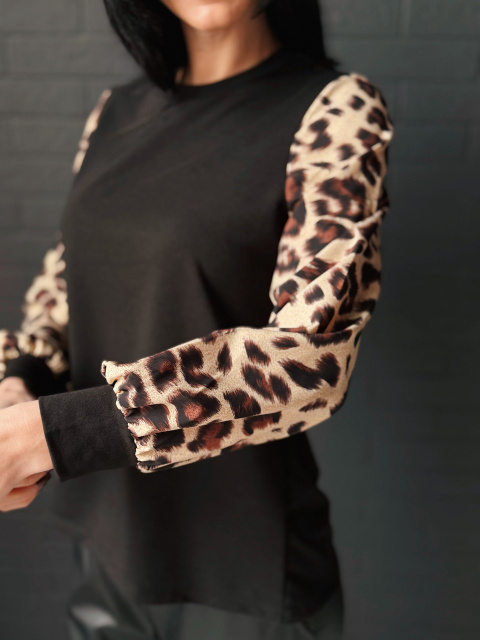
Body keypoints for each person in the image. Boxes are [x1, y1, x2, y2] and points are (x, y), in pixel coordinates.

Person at [0, 0, 394, 638]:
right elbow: (65, 285)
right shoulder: (114, 112)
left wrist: (58, 435)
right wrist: (18, 384)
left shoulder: (335, 107)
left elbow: (311, 357)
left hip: (243, 572)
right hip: (110, 547)